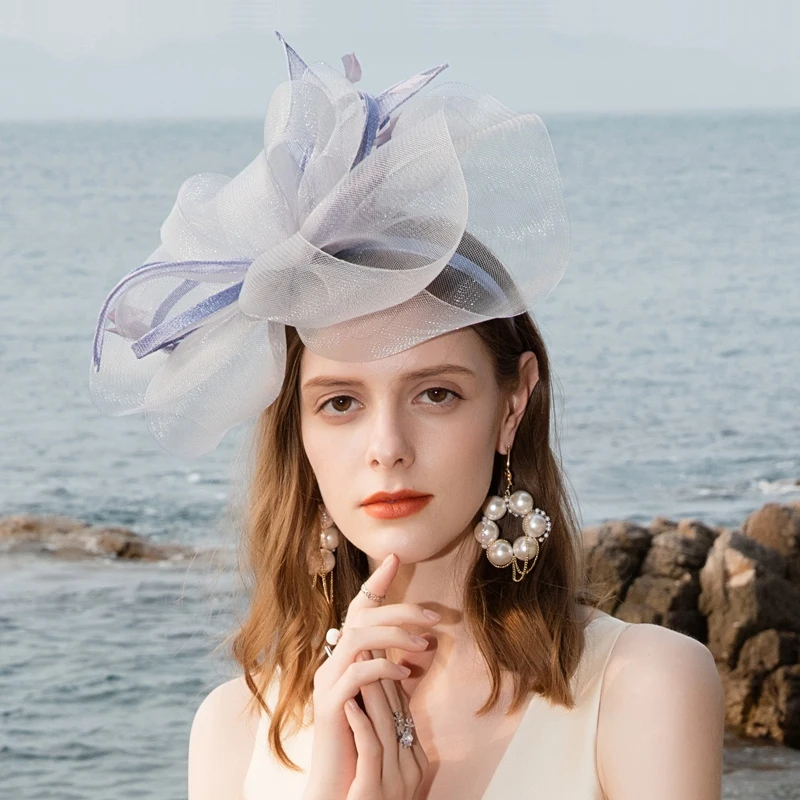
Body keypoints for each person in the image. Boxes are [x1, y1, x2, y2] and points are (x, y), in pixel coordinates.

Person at [89, 34, 725, 800]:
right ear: (298, 431)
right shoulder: (233, 731)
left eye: (436, 394)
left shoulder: (642, 687)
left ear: (512, 404)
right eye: (341, 403)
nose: (387, 448)